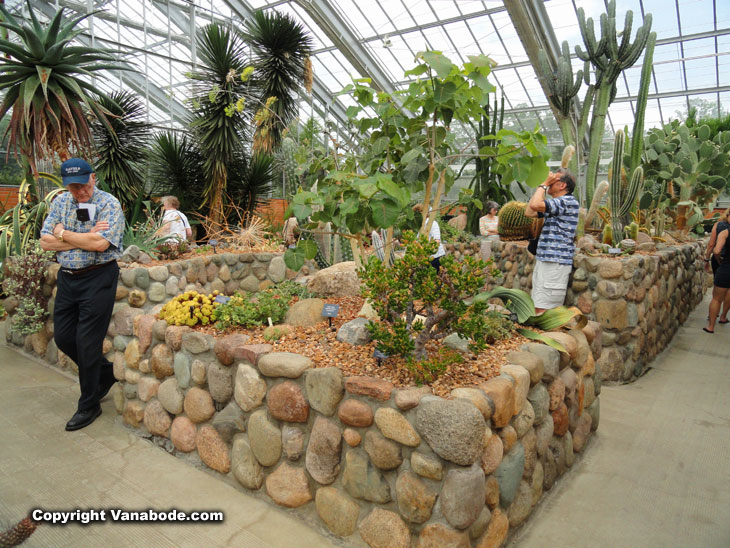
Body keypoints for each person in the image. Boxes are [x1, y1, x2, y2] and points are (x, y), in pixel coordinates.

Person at [40, 158, 125, 431]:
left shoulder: (109, 204)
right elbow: (44, 241)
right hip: (68, 279)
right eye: (73, 187)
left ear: (93, 177)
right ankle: (104, 373)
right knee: (64, 336)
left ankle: (89, 405)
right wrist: (83, 235)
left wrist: (62, 233)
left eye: (82, 185)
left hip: (98, 278)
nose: (79, 192)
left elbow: (100, 244)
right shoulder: (60, 203)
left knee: (87, 343)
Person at [525, 169, 579, 314]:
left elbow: (536, 205)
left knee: (545, 309)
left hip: (555, 262)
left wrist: (543, 185)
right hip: (547, 259)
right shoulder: (556, 204)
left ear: (562, 185)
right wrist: (543, 185)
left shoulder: (567, 202)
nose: (549, 183)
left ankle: (550, 335)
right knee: (538, 304)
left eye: (552, 181)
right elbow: (529, 212)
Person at [704, 208, 730, 324]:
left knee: (717, 290)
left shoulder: (718, 225)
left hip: (719, 260)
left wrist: (706, 258)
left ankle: (712, 317)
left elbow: (711, 244)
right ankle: (723, 316)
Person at [414, 204, 446, 270]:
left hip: (436, 257)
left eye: (417, 213)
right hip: (426, 258)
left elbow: (436, 240)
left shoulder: (432, 223)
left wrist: (428, 252)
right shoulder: (421, 225)